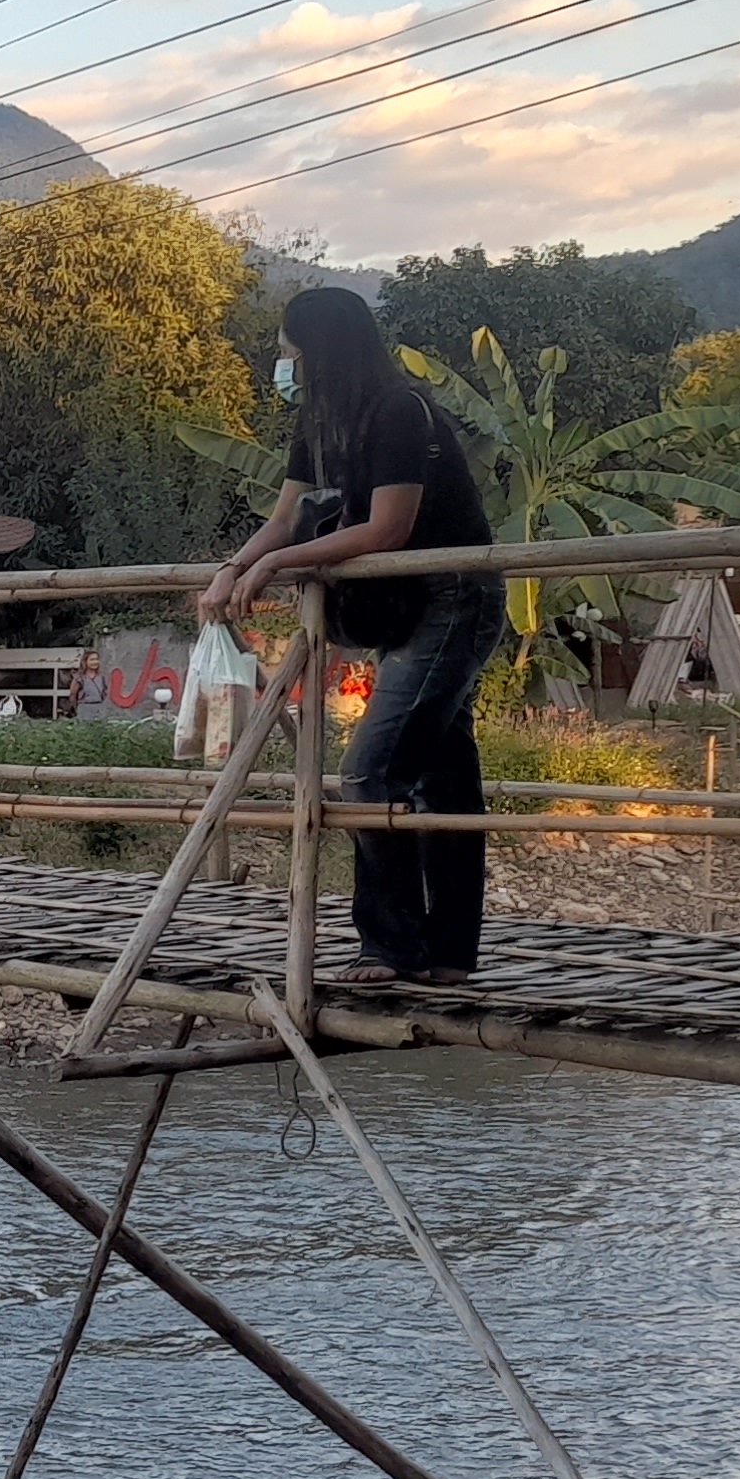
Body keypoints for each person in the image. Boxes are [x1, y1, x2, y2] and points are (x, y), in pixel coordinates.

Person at [199, 285, 499, 985]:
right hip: (404, 605)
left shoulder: (398, 412)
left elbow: (387, 527)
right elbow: (285, 517)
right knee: (443, 774)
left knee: (369, 771)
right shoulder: (320, 419)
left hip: (453, 597)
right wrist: (233, 567)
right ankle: (449, 953)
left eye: (289, 351)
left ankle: (391, 945)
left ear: (321, 350)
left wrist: (275, 565)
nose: (283, 364)